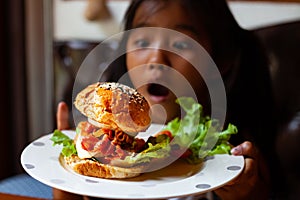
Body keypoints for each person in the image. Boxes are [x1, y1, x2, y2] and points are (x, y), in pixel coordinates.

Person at [55, 0, 284, 199]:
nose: (157, 58)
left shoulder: (237, 150)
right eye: (143, 42)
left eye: (181, 44)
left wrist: (245, 193)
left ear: (220, 59)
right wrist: (66, 180)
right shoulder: (106, 139)